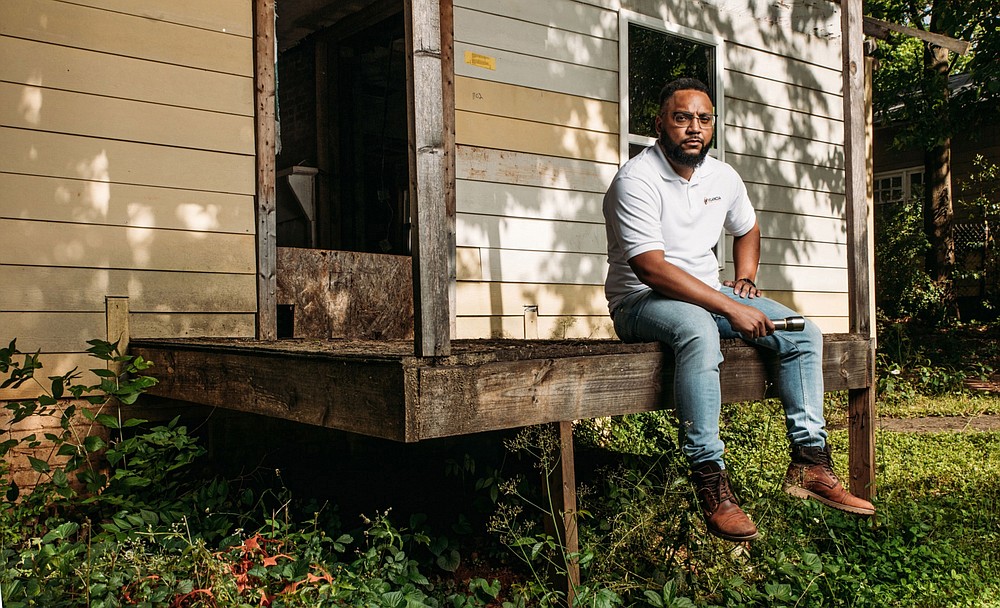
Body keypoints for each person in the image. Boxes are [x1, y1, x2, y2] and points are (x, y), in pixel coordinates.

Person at [602, 77, 874, 542]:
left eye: (703, 119)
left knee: (802, 332)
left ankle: (809, 464)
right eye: (682, 117)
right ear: (659, 124)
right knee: (698, 331)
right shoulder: (636, 179)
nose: (694, 128)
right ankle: (710, 481)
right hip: (640, 302)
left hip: (709, 294)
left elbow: (746, 228)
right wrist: (729, 307)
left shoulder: (722, 177)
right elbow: (650, 268)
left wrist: (744, 280)